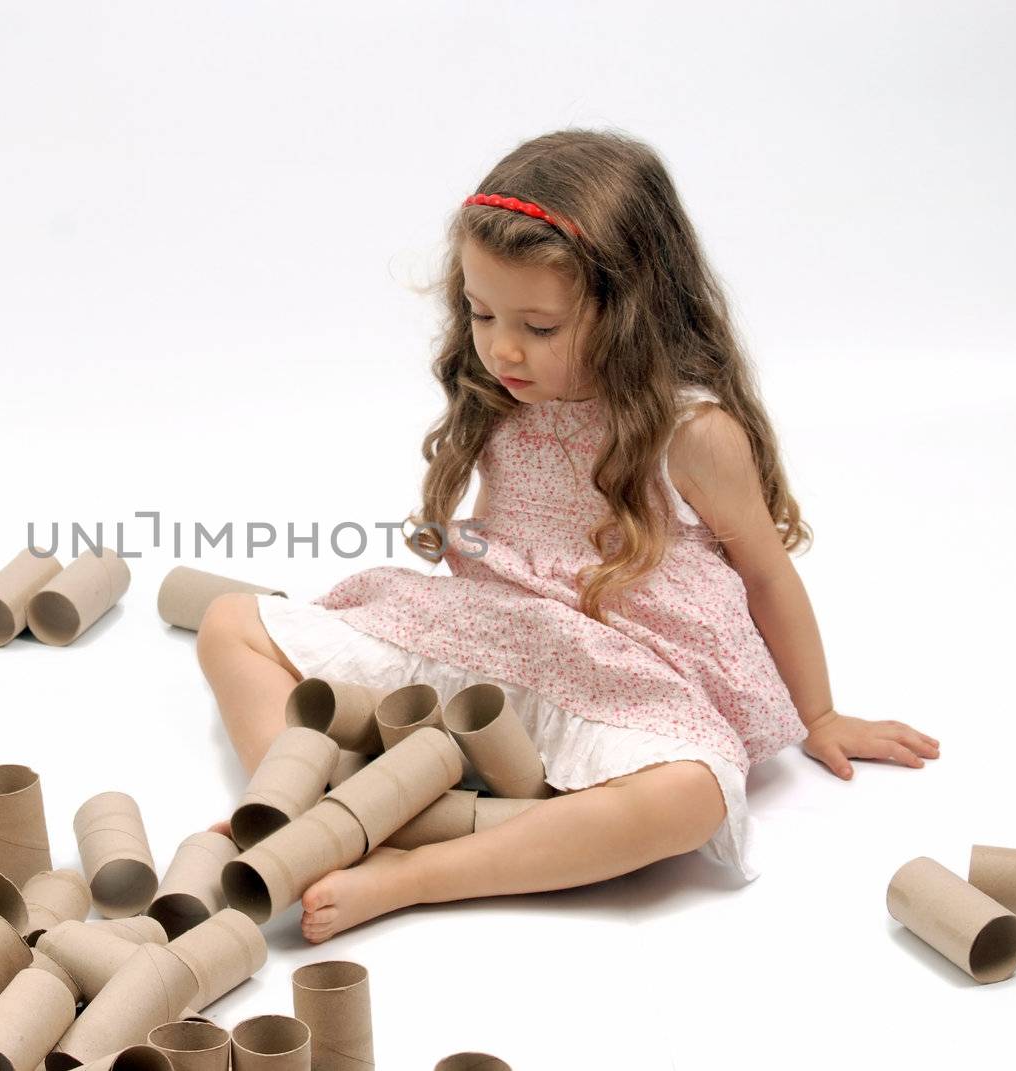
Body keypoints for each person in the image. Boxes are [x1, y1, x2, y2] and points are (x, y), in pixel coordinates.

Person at [195, 128, 938, 944]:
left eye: (539, 326)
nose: (502, 347)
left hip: (624, 671)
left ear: (630, 314)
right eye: (481, 312)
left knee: (691, 794)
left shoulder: (690, 432)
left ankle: (418, 870)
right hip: (500, 636)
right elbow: (507, 547)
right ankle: (296, 805)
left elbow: (766, 573)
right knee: (232, 622)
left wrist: (821, 714)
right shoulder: (504, 392)